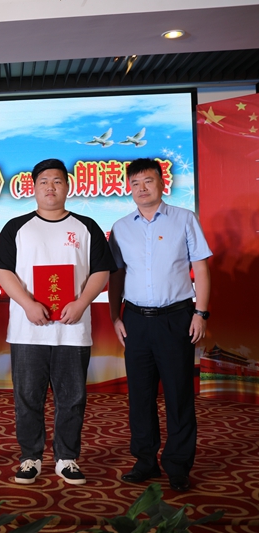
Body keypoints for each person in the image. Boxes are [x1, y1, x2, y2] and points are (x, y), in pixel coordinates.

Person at [0, 158, 115, 486]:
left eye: (57, 181)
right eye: (44, 181)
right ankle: (30, 457)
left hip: (73, 329)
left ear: (67, 187)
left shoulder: (86, 226)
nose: (50, 187)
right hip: (28, 330)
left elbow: (101, 270)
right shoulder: (17, 227)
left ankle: (66, 458)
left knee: (72, 397)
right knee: (27, 397)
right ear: (33, 188)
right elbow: (3, 270)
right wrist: (28, 304)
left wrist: (82, 302)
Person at [108, 158, 211, 493]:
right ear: (129, 188)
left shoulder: (185, 219)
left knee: (179, 394)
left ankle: (178, 465)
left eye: (148, 181)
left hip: (176, 318)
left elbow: (201, 269)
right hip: (136, 320)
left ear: (162, 183)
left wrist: (201, 313)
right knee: (140, 396)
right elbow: (117, 276)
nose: (142, 188)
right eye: (135, 183)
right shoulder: (121, 227)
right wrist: (114, 316)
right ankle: (145, 461)